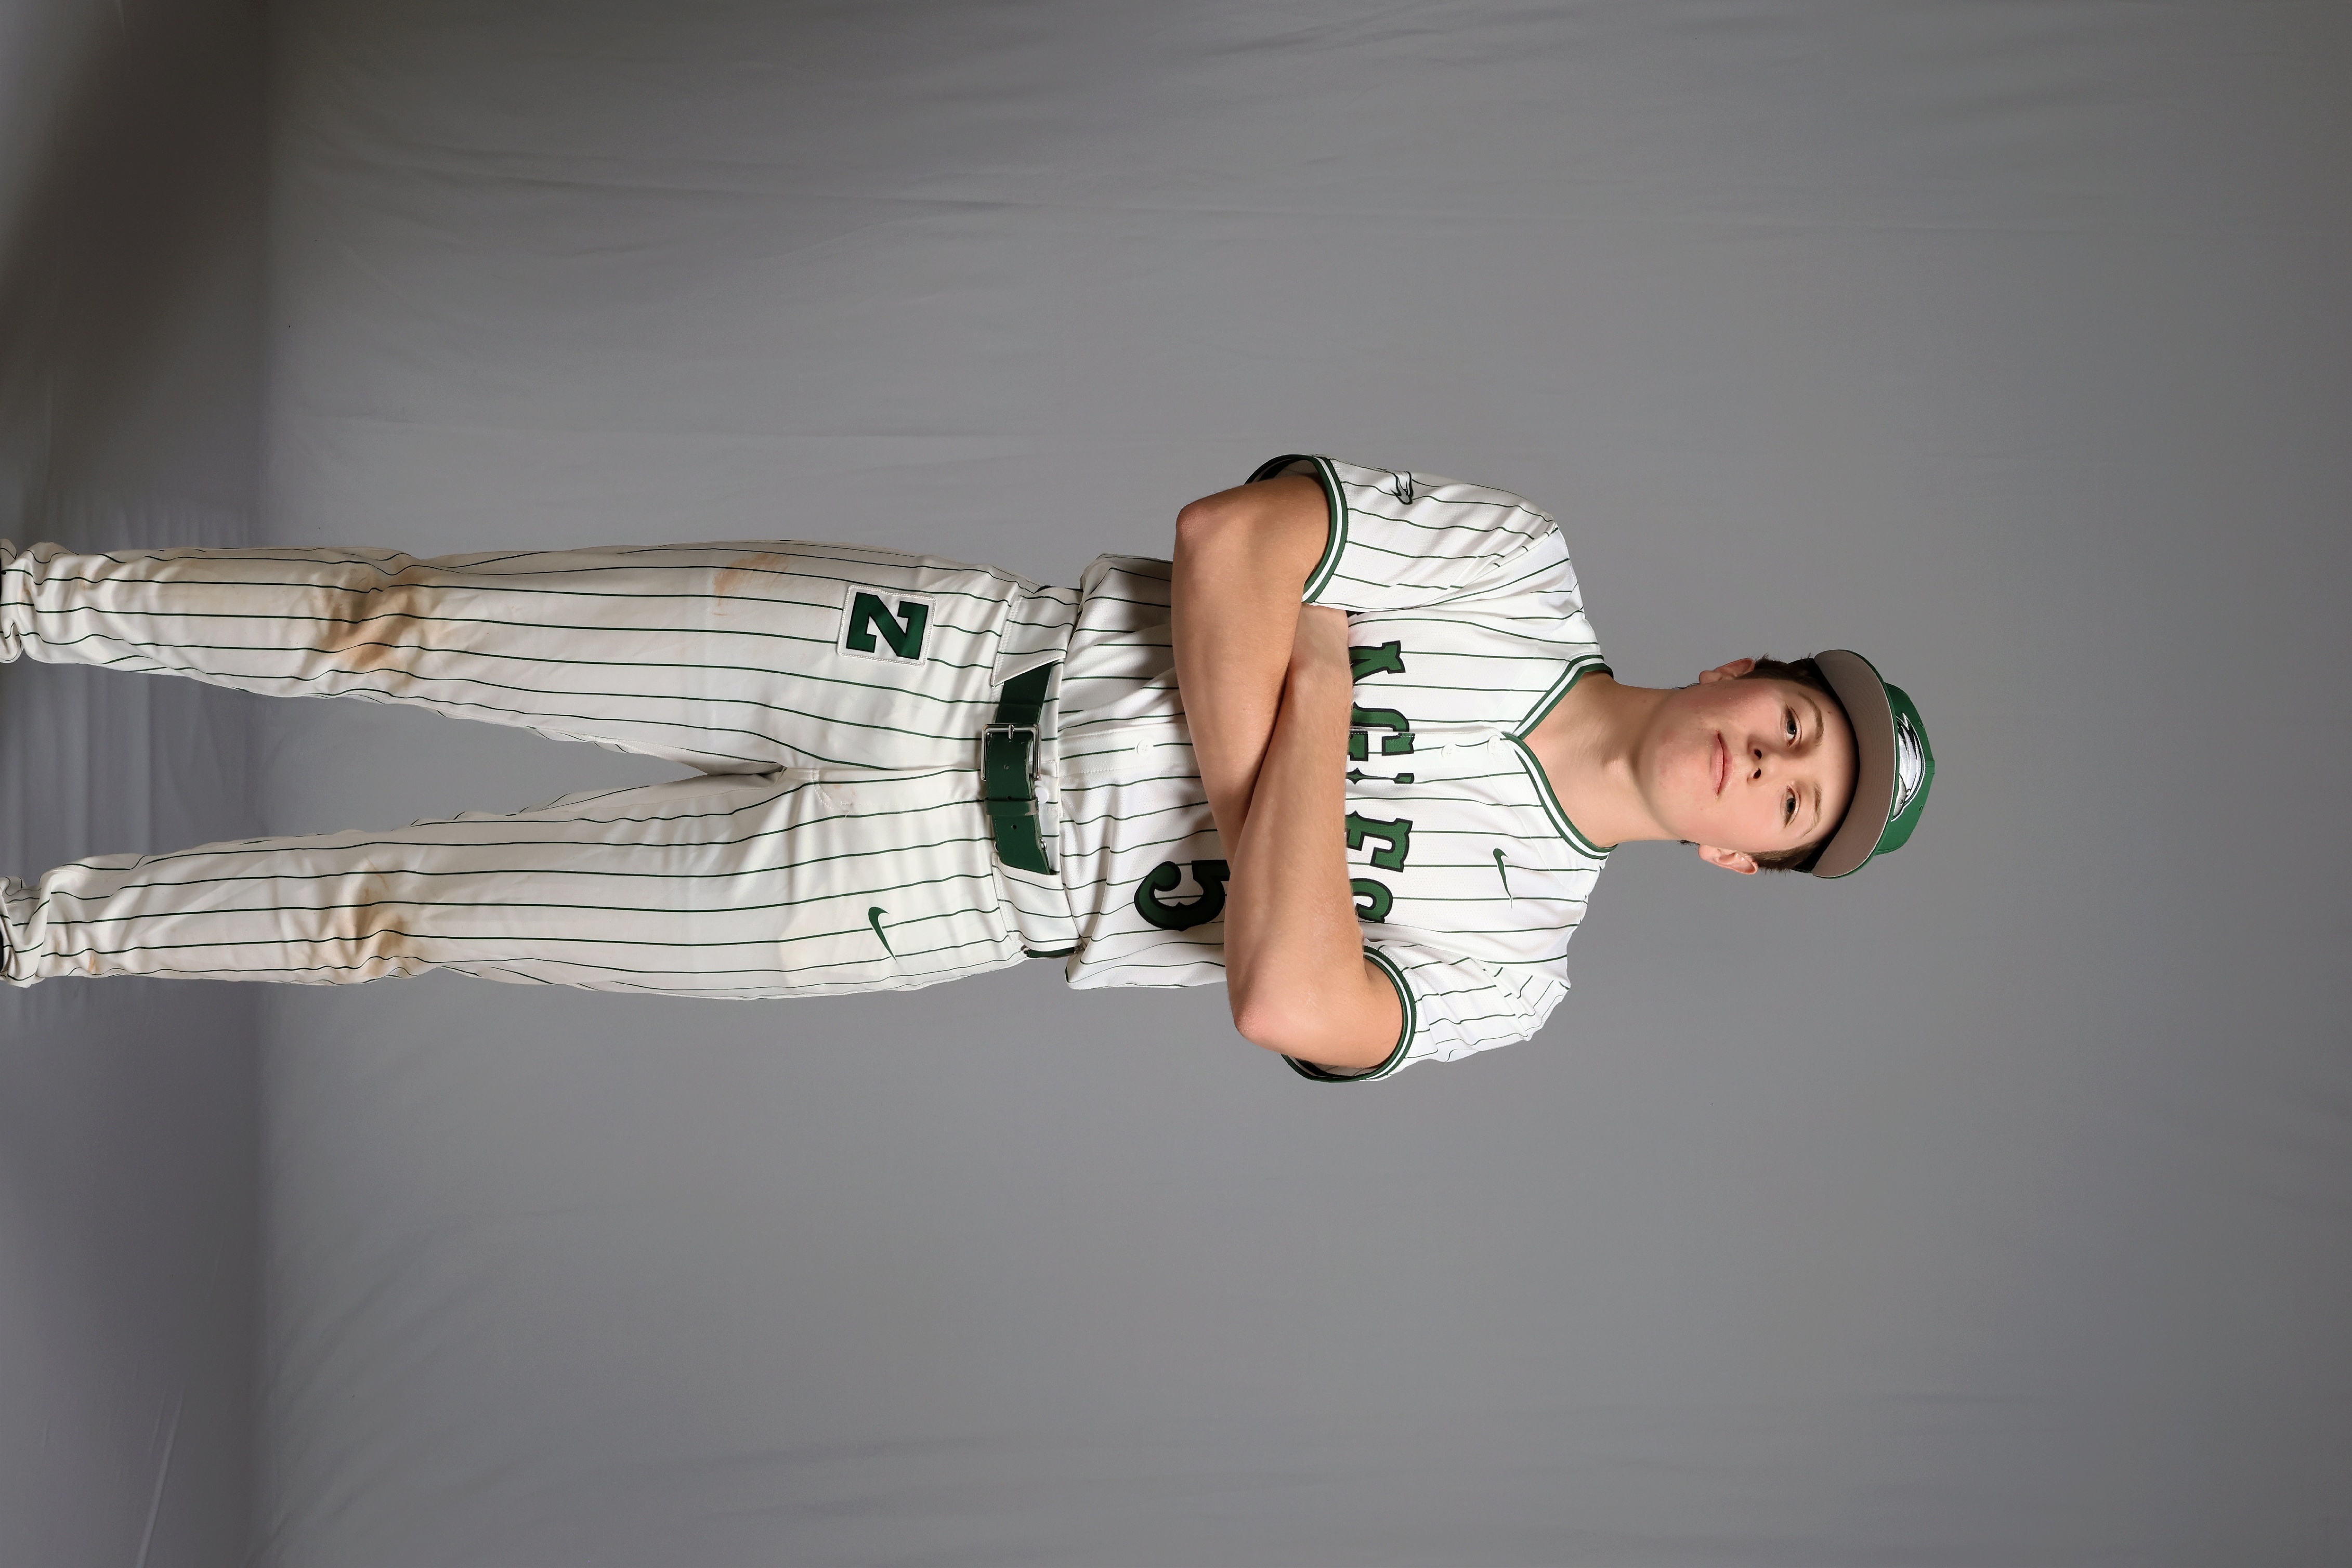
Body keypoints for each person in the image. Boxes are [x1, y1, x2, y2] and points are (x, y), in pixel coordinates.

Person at [0, 455, 1932, 1080]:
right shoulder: (1515, 567)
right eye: (1792, 724)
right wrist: (1291, 830)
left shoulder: (1516, 976)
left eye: (1793, 805)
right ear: (1738, 671)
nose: (1766, 765)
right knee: (412, 620)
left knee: (405, 917)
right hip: (944, 657)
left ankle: (40, 938)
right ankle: (36, 597)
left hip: (930, 901)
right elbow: (1232, 540)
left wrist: (1323, 679)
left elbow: (1286, 1001)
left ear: (1740, 863)